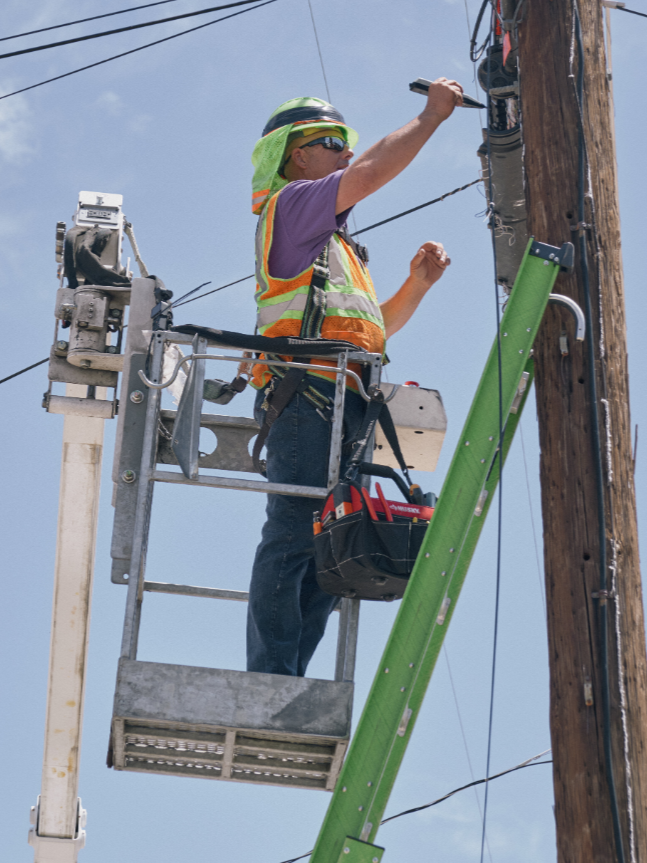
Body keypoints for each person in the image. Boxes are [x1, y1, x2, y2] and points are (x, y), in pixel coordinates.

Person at [246, 79, 463, 677]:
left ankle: (289, 676)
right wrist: (431, 117)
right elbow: (367, 175)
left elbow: (374, 332)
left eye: (348, 143)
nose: (346, 153)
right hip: (307, 400)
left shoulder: (336, 248)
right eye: (333, 142)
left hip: (346, 404)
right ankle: (271, 676)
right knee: (294, 532)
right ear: (297, 155)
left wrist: (414, 287)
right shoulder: (290, 207)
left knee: (331, 546)